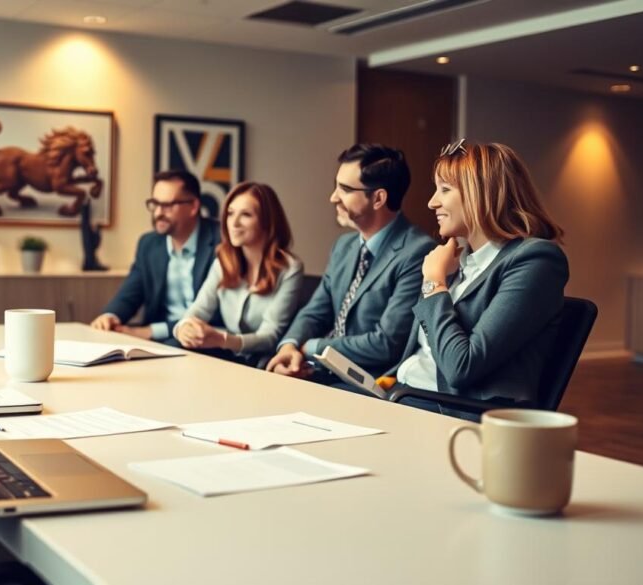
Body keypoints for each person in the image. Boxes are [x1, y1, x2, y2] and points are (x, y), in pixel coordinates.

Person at [382, 140, 569, 416]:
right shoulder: (457, 260)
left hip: (455, 412)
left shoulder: (536, 261)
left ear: (480, 194)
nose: (432, 202)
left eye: (444, 190)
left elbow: (461, 368)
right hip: (404, 394)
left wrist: (434, 282)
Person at [266, 144, 434, 383]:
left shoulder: (418, 252)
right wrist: (289, 348)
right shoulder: (343, 246)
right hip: (321, 370)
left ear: (378, 198)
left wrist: (311, 347)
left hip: (367, 383)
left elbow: (386, 344)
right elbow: (315, 313)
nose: (333, 197)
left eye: (344, 189)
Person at [173, 182, 303, 365]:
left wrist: (222, 340)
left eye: (246, 215)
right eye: (231, 213)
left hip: (264, 359)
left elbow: (269, 336)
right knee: (176, 348)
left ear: (267, 221)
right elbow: (197, 311)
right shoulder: (223, 262)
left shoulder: (291, 269)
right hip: (229, 356)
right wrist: (183, 329)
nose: (233, 223)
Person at [90, 170, 220, 342]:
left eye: (167, 205)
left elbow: (217, 314)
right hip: (159, 340)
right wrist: (111, 316)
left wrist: (151, 331)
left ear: (193, 207)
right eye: (154, 203)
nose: (158, 212)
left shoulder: (221, 241)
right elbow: (130, 293)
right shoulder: (149, 244)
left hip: (203, 339)